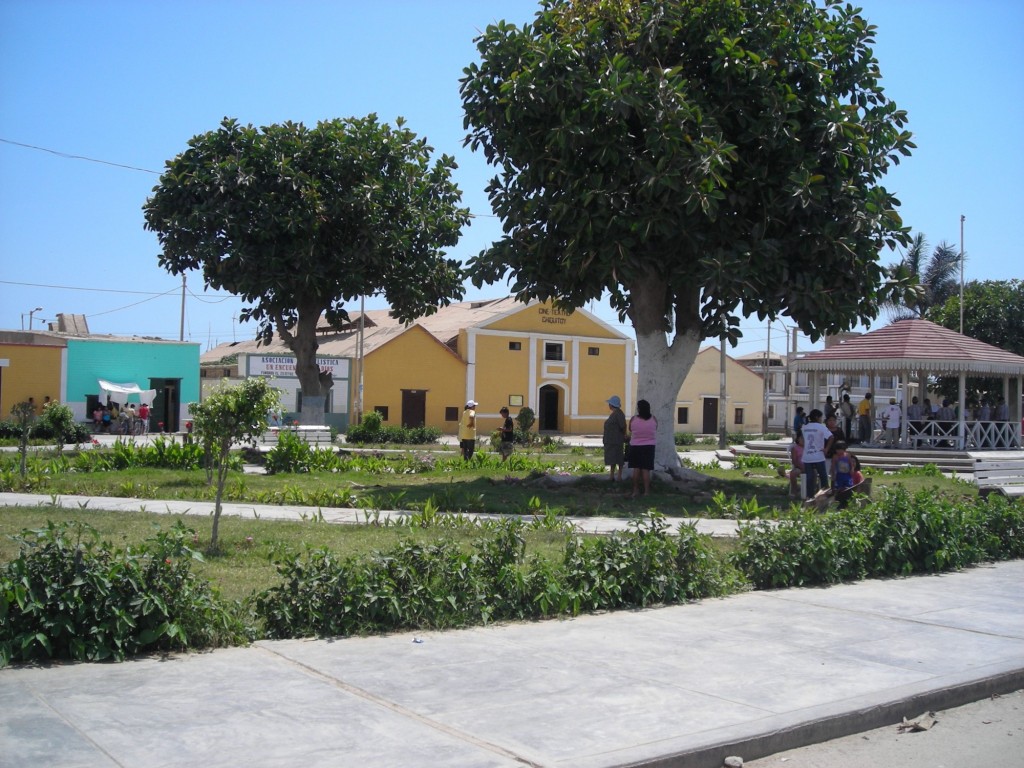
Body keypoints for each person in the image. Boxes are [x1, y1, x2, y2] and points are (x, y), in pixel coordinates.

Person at [627, 399, 657, 498]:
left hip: (635, 446)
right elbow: (655, 429)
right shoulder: (654, 419)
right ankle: (646, 492)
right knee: (646, 470)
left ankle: (635, 490)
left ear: (639, 409)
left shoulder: (633, 419)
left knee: (636, 469)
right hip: (649, 447)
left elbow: (630, 429)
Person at [800, 409, 832, 497]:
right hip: (818, 455)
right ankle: (825, 495)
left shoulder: (804, 427)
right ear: (817, 417)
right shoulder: (821, 427)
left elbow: (802, 440)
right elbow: (831, 437)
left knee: (809, 478)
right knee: (823, 477)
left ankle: (809, 496)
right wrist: (826, 449)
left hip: (807, 456)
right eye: (821, 417)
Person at [602, 395, 627, 482]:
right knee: (612, 458)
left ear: (612, 405)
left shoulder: (619, 414)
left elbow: (623, 426)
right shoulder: (615, 414)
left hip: (616, 440)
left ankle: (619, 476)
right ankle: (612, 475)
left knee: (619, 458)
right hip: (611, 440)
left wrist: (624, 435)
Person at [830, 441, 857, 509]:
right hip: (839, 475)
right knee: (839, 488)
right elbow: (833, 466)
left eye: (840, 449)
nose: (838, 451)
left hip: (847, 474)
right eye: (837, 450)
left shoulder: (847, 455)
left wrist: (852, 470)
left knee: (848, 487)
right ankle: (839, 500)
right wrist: (833, 474)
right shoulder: (835, 457)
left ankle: (848, 500)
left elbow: (851, 464)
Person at [788, 432, 805, 499]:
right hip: (799, 467)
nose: (804, 440)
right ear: (798, 439)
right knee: (792, 473)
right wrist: (801, 467)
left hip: (810, 467)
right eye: (802, 438)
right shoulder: (795, 449)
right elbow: (794, 461)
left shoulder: (810, 448)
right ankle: (794, 490)